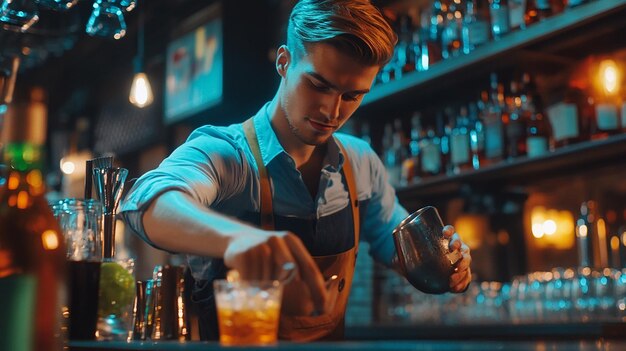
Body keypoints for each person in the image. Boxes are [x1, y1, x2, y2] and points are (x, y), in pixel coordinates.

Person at [121, 0, 472, 342]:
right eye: (319, 85)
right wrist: (237, 239)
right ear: (284, 62)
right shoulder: (228, 154)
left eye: (352, 96)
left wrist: (445, 260)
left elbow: (398, 247)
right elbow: (145, 202)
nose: (332, 111)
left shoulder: (361, 163)